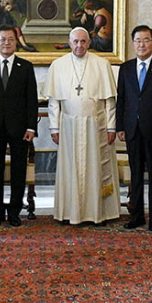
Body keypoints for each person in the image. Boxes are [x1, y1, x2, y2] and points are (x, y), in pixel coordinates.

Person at [42, 27, 120, 224]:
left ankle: (98, 213)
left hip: (97, 126)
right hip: (68, 126)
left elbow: (110, 101)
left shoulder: (102, 64)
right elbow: (54, 102)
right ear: (69, 42)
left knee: (96, 168)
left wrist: (111, 127)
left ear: (89, 43)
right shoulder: (58, 65)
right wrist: (54, 128)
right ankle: (70, 212)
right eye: (75, 41)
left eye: (83, 41)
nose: (79, 45)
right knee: (71, 169)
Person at [0, 25, 38, 227]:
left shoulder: (26, 67)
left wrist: (31, 127)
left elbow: (32, 100)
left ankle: (14, 212)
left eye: (11, 39)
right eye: (2, 39)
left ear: (16, 42)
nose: (6, 43)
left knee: (18, 171)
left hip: (19, 128)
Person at [116, 25, 152, 232]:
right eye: (138, 40)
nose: (142, 44)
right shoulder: (125, 68)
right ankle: (137, 215)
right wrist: (120, 127)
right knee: (136, 174)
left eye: (146, 40)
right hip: (132, 129)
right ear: (133, 43)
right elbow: (121, 100)